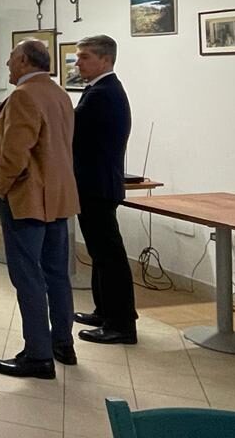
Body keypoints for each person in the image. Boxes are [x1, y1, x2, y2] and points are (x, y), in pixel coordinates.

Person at [0, 39, 79, 380]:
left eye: (11, 58)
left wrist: (0, 184)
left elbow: (15, 154)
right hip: (58, 196)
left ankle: (38, 355)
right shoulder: (59, 93)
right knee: (56, 273)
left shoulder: (24, 96)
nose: (8, 65)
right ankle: (62, 342)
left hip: (28, 198)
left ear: (25, 61)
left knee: (27, 275)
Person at [72, 35, 137, 345]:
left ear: (105, 60)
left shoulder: (103, 93)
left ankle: (121, 324)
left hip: (97, 184)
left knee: (109, 256)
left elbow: (74, 130)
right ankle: (104, 311)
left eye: (84, 57)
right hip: (94, 182)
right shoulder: (98, 90)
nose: (77, 63)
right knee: (100, 253)